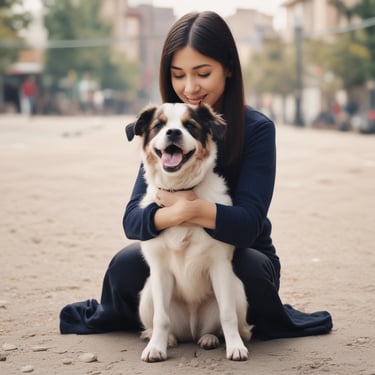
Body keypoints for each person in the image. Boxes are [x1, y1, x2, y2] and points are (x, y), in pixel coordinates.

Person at [60, 11, 332, 341]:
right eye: (178, 75)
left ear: (229, 68)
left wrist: (189, 207)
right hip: (176, 253)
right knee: (125, 266)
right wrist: (173, 214)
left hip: (240, 250)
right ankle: (169, 320)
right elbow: (132, 221)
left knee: (250, 272)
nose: (189, 87)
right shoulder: (165, 131)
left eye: (202, 73)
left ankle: (223, 323)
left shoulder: (257, 129)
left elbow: (248, 224)